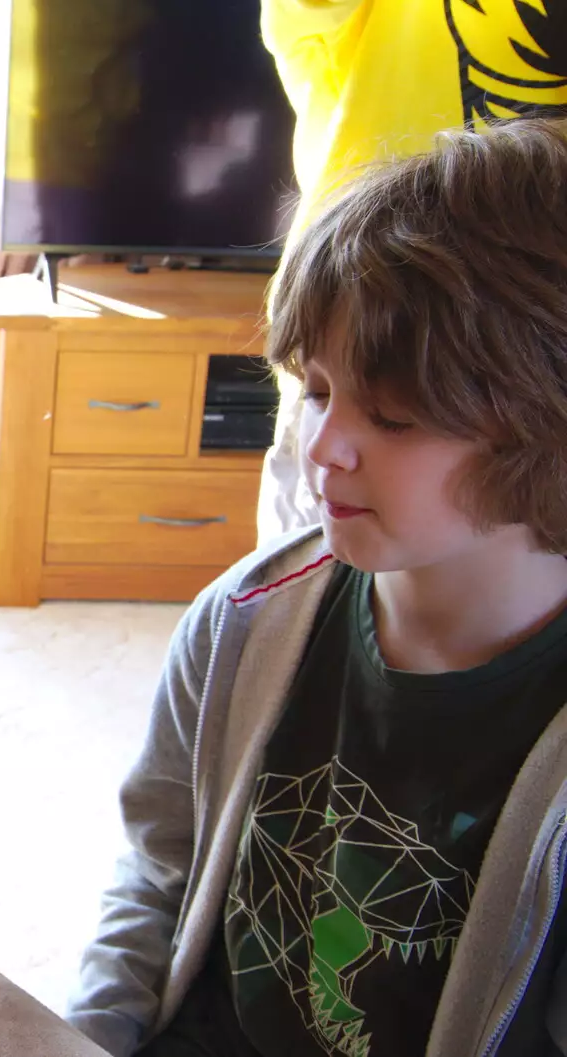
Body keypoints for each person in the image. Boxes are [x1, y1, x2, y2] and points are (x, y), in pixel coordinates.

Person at [68, 118, 567, 1055]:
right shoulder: (244, 618)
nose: (325, 447)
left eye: (393, 415)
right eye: (315, 389)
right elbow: (158, 871)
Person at [256, 0, 567, 542]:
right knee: (312, 584)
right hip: (356, 327)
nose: (319, 448)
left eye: (394, 416)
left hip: (539, 379)